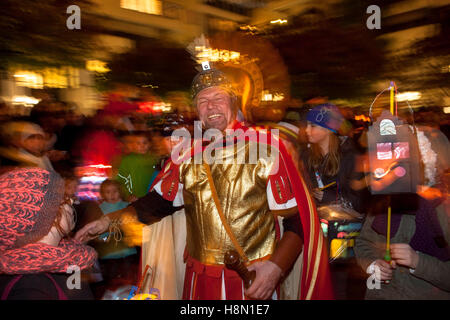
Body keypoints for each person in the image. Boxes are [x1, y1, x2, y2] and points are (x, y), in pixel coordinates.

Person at [76, 67, 333, 300]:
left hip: (252, 279)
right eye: (203, 101)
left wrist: (275, 268)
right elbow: (158, 204)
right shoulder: (187, 155)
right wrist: (108, 221)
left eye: (218, 98)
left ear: (234, 101)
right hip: (199, 281)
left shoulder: (267, 148)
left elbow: (297, 220)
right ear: (196, 109)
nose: (210, 106)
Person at [354, 121, 450, 300]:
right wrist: (373, 264)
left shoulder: (443, 209)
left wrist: (418, 262)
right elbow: (363, 243)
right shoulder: (387, 198)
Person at [301, 104, 367, 299]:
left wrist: (329, 197)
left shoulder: (350, 156)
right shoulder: (307, 156)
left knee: (337, 284)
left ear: (329, 129)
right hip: (317, 231)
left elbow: (360, 202)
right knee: (317, 280)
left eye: (313, 126)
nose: (306, 130)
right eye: (307, 125)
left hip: (342, 233)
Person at [0, 168, 97, 300]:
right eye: (63, 198)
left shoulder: (66, 258)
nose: (72, 201)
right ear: (45, 217)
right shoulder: (29, 287)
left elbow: (75, 292)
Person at [115, 132, 159, 202]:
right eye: (138, 143)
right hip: (135, 198)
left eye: (145, 143)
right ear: (133, 145)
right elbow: (121, 179)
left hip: (151, 197)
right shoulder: (127, 160)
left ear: (150, 144)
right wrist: (127, 195)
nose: (142, 146)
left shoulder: (154, 159)